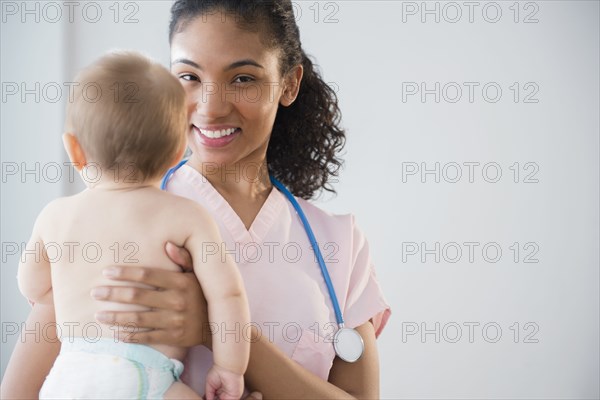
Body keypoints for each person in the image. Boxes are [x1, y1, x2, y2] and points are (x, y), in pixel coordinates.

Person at [1, 1, 391, 398]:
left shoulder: (340, 244)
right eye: (188, 76)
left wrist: (209, 327)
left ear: (288, 84)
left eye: (242, 79)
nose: (211, 107)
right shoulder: (107, 218)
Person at [15, 51, 250, 400]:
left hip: (69, 375)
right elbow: (228, 295)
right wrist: (230, 369)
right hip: (147, 376)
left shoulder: (55, 215)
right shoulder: (188, 216)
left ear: (74, 150)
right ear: (176, 155)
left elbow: (32, 287)